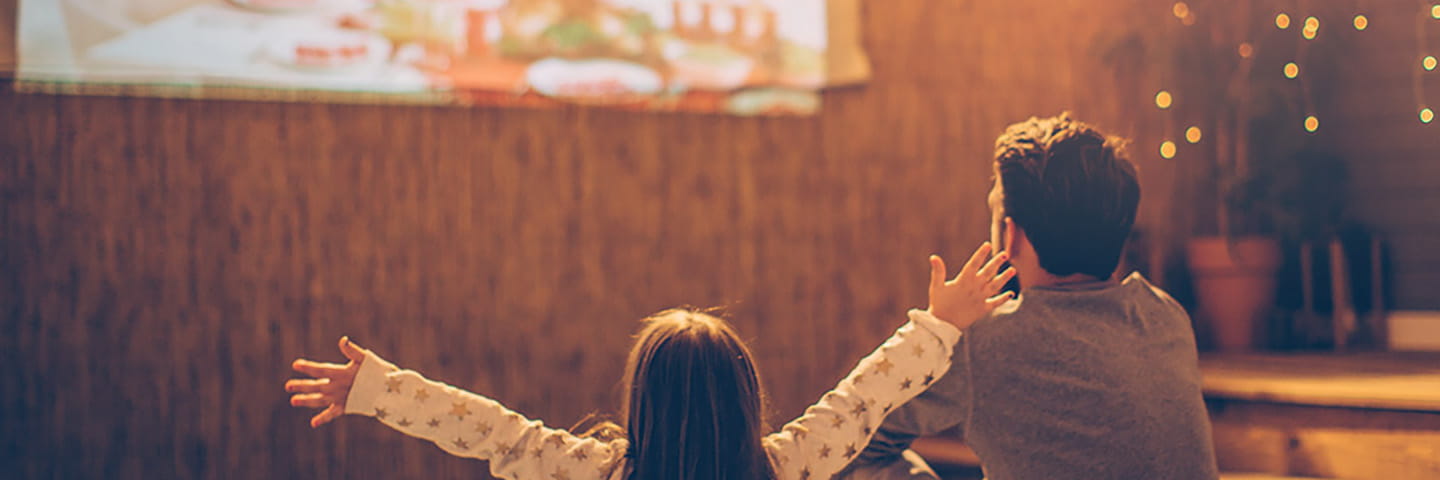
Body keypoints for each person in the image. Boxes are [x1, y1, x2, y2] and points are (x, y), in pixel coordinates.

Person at [286, 244, 1016, 480]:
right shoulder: (789, 465)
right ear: (744, 394)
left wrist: (377, 391)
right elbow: (864, 397)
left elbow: (491, 431)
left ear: (641, 400)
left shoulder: (595, 472)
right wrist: (942, 322)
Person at [841, 113, 1220, 480]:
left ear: (1012, 236)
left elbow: (851, 442)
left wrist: (937, 328)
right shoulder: (1164, 315)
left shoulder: (985, 345)